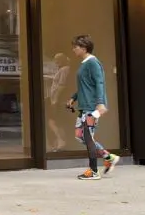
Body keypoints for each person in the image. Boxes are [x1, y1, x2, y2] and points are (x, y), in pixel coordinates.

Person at [67, 35, 120, 180]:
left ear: (84, 48)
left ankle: (94, 171)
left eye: (75, 47)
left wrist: (100, 102)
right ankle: (108, 157)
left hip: (92, 108)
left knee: (88, 137)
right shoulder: (85, 63)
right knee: (80, 136)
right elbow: (86, 86)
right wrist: (73, 98)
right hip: (85, 107)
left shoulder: (92, 63)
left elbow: (99, 83)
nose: (73, 49)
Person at [46, 53, 71, 151]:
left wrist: (55, 100)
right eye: (55, 59)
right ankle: (60, 141)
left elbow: (61, 85)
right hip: (56, 100)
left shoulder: (64, 69)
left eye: (58, 59)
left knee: (54, 121)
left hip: (59, 101)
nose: (56, 62)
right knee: (55, 121)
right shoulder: (61, 69)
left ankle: (62, 141)